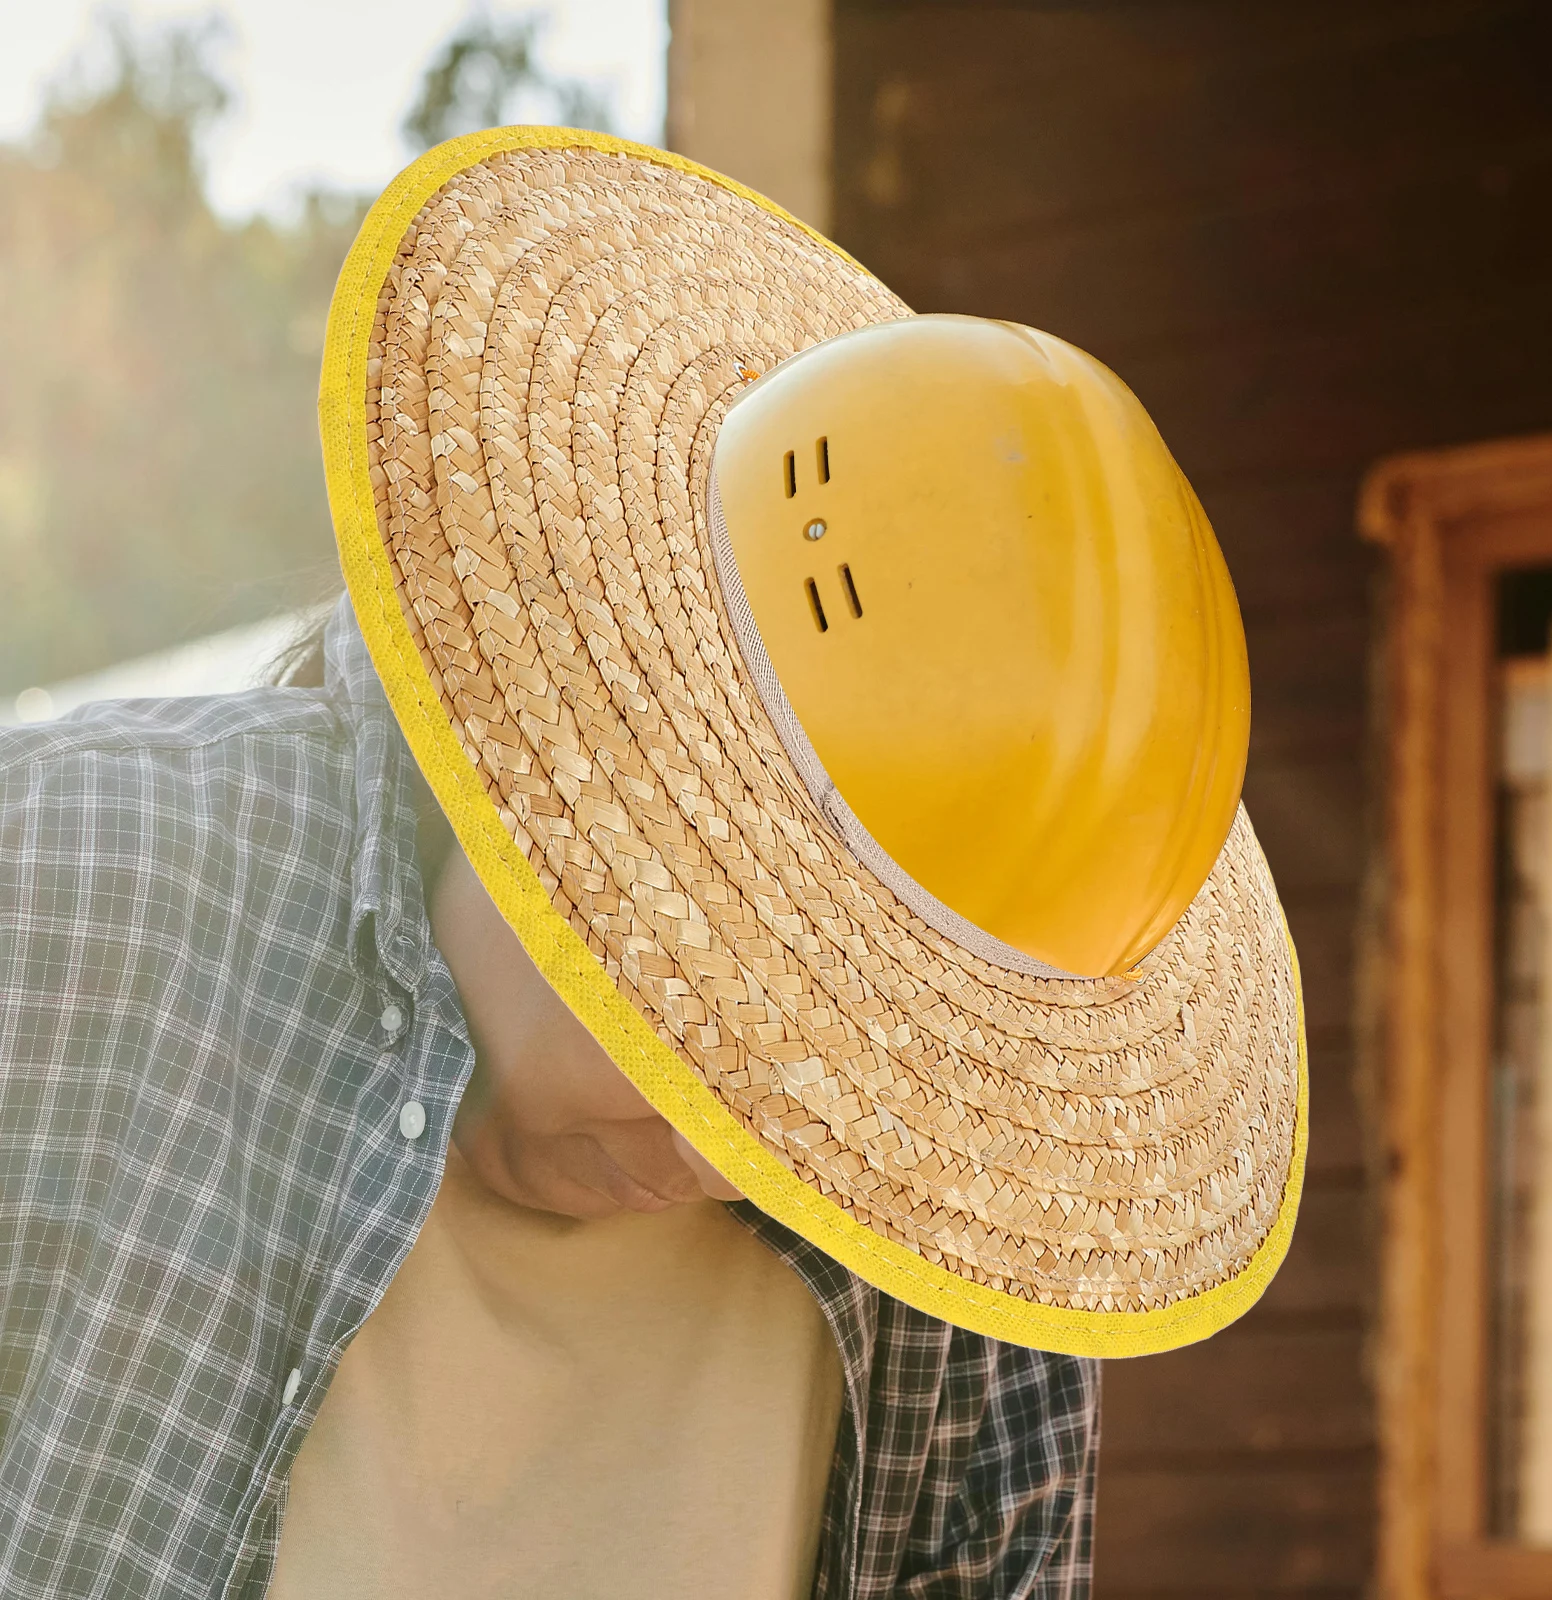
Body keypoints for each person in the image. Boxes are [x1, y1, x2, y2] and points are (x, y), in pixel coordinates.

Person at [0, 128, 1305, 1599]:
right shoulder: (65, 893)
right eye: (736, 1001)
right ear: (568, 728)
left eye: (866, 1071)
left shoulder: (955, 1294)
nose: (755, 1140)